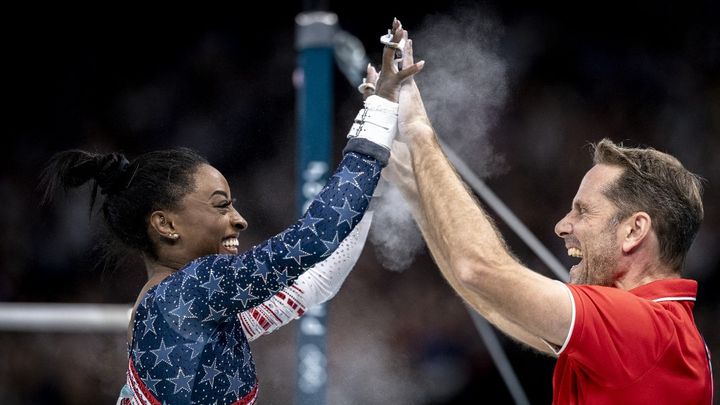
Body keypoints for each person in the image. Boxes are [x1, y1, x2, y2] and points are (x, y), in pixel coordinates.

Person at [40, 19, 423, 405]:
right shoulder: (191, 291)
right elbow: (314, 238)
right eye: (221, 205)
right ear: (166, 224)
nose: (239, 219)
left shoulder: (199, 310)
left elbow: (319, 280)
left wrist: (376, 174)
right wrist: (379, 113)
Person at [380, 22, 714, 404]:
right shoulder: (645, 332)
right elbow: (491, 295)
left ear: (634, 230)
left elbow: (479, 268)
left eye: (583, 211)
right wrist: (415, 186)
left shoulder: (643, 329)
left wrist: (419, 129)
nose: (562, 226)